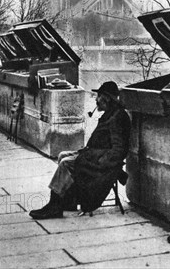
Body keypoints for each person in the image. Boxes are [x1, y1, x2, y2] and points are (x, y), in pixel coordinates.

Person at [29, 81, 131, 219]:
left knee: (66, 163)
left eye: (98, 96)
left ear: (106, 98)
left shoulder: (116, 118)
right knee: (62, 155)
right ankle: (67, 201)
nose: (96, 99)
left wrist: (99, 161)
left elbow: (119, 150)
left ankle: (54, 206)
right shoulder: (111, 114)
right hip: (94, 155)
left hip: (99, 162)